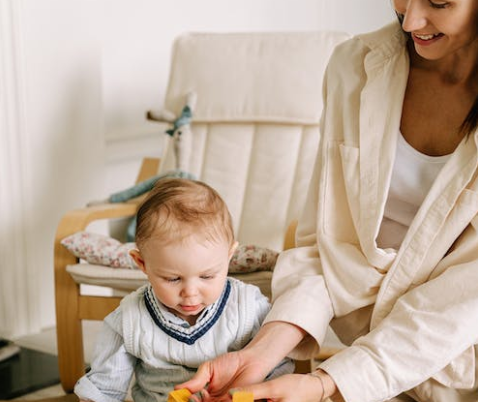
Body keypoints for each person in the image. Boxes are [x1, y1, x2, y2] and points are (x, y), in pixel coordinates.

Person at [179, 1, 478, 401]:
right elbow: (325, 245)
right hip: (360, 355)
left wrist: (327, 385)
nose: (410, 20)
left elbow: (459, 303)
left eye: (438, 2)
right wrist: (259, 353)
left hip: (454, 370)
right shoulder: (353, 66)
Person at [73, 178, 293, 402]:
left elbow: (277, 366)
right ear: (142, 263)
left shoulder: (247, 307)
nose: (190, 292)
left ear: (229, 256)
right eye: (173, 278)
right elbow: (103, 390)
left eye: (207, 276)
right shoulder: (129, 319)